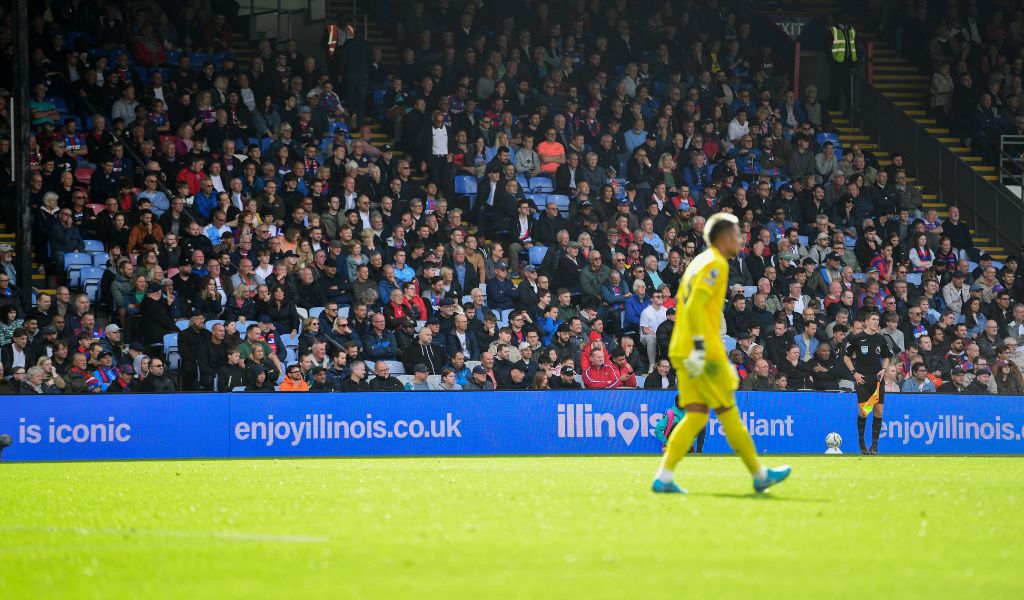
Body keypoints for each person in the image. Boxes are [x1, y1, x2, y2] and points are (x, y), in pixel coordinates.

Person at [654, 213, 791, 494]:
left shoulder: (699, 263)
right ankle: (759, 473)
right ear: (722, 238)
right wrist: (702, 352)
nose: (740, 239)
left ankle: (665, 476)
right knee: (725, 411)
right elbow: (695, 308)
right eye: (736, 234)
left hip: (687, 346)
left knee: (698, 415)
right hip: (698, 349)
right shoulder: (715, 265)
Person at [843, 311, 892, 455]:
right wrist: (854, 373)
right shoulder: (857, 338)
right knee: (864, 411)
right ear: (866, 321)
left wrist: (883, 369)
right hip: (863, 379)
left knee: (878, 410)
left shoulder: (880, 339)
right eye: (873, 319)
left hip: (877, 378)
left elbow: (886, 357)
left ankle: (874, 446)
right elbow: (846, 357)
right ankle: (861, 442)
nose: (876, 322)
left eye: (878, 320)